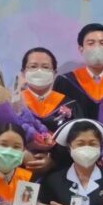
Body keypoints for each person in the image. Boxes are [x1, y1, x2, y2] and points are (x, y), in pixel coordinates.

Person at [15, 47, 81, 175]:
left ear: (54, 72)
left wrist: (53, 160)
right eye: (33, 66)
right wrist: (22, 153)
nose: (39, 71)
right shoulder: (14, 104)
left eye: (45, 67)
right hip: (21, 173)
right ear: (23, 72)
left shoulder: (70, 105)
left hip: (61, 174)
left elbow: (78, 140)